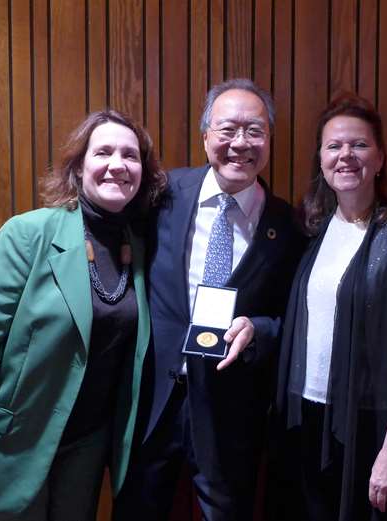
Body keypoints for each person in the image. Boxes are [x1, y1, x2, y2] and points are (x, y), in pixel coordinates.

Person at [0, 110, 165, 520]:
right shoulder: (28, 233)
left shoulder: (139, 245)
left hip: (85, 447)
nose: (118, 164)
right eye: (103, 152)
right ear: (79, 167)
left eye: (130, 155)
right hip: (12, 445)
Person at [114, 78, 305, 521]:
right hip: (153, 400)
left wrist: (259, 329)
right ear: (205, 138)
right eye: (227, 130)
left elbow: (290, 318)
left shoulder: (287, 227)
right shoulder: (161, 195)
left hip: (229, 407)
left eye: (255, 131)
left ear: (270, 140)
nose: (241, 143)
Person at [271, 94, 387, 521]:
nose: (345, 155)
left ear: (380, 157)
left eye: (359, 145)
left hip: (371, 427)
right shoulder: (312, 230)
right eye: (334, 146)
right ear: (321, 159)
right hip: (305, 418)